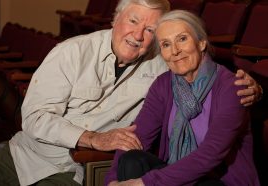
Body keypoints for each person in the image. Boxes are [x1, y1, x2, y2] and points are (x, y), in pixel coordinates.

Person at [0, 1, 261, 186]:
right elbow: (33, 118)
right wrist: (93, 137)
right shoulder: (71, 52)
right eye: (132, 20)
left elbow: (209, 66)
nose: (139, 34)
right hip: (24, 155)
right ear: (116, 18)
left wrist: (256, 87)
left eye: (152, 29)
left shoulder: (165, 62)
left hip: (75, 172)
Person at [105, 10, 260, 186]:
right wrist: (112, 181)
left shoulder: (233, 87)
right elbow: (136, 137)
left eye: (182, 39)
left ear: (201, 43)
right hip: (174, 172)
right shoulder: (163, 85)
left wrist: (144, 183)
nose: (175, 51)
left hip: (220, 180)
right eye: (165, 44)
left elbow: (210, 154)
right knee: (132, 159)